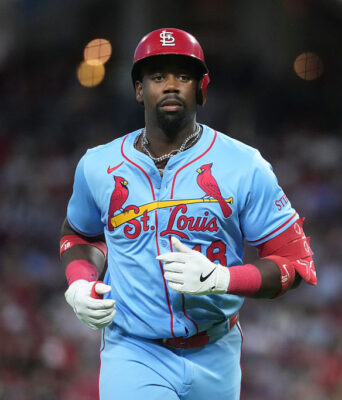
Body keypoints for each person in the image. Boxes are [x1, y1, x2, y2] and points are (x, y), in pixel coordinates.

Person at [60, 27, 317, 400]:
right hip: (134, 350)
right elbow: (81, 234)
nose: (170, 86)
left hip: (217, 351)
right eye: (157, 76)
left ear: (201, 88)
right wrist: (80, 280)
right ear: (138, 89)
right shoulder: (98, 165)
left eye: (183, 76)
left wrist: (223, 278)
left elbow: (294, 264)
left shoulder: (245, 165)